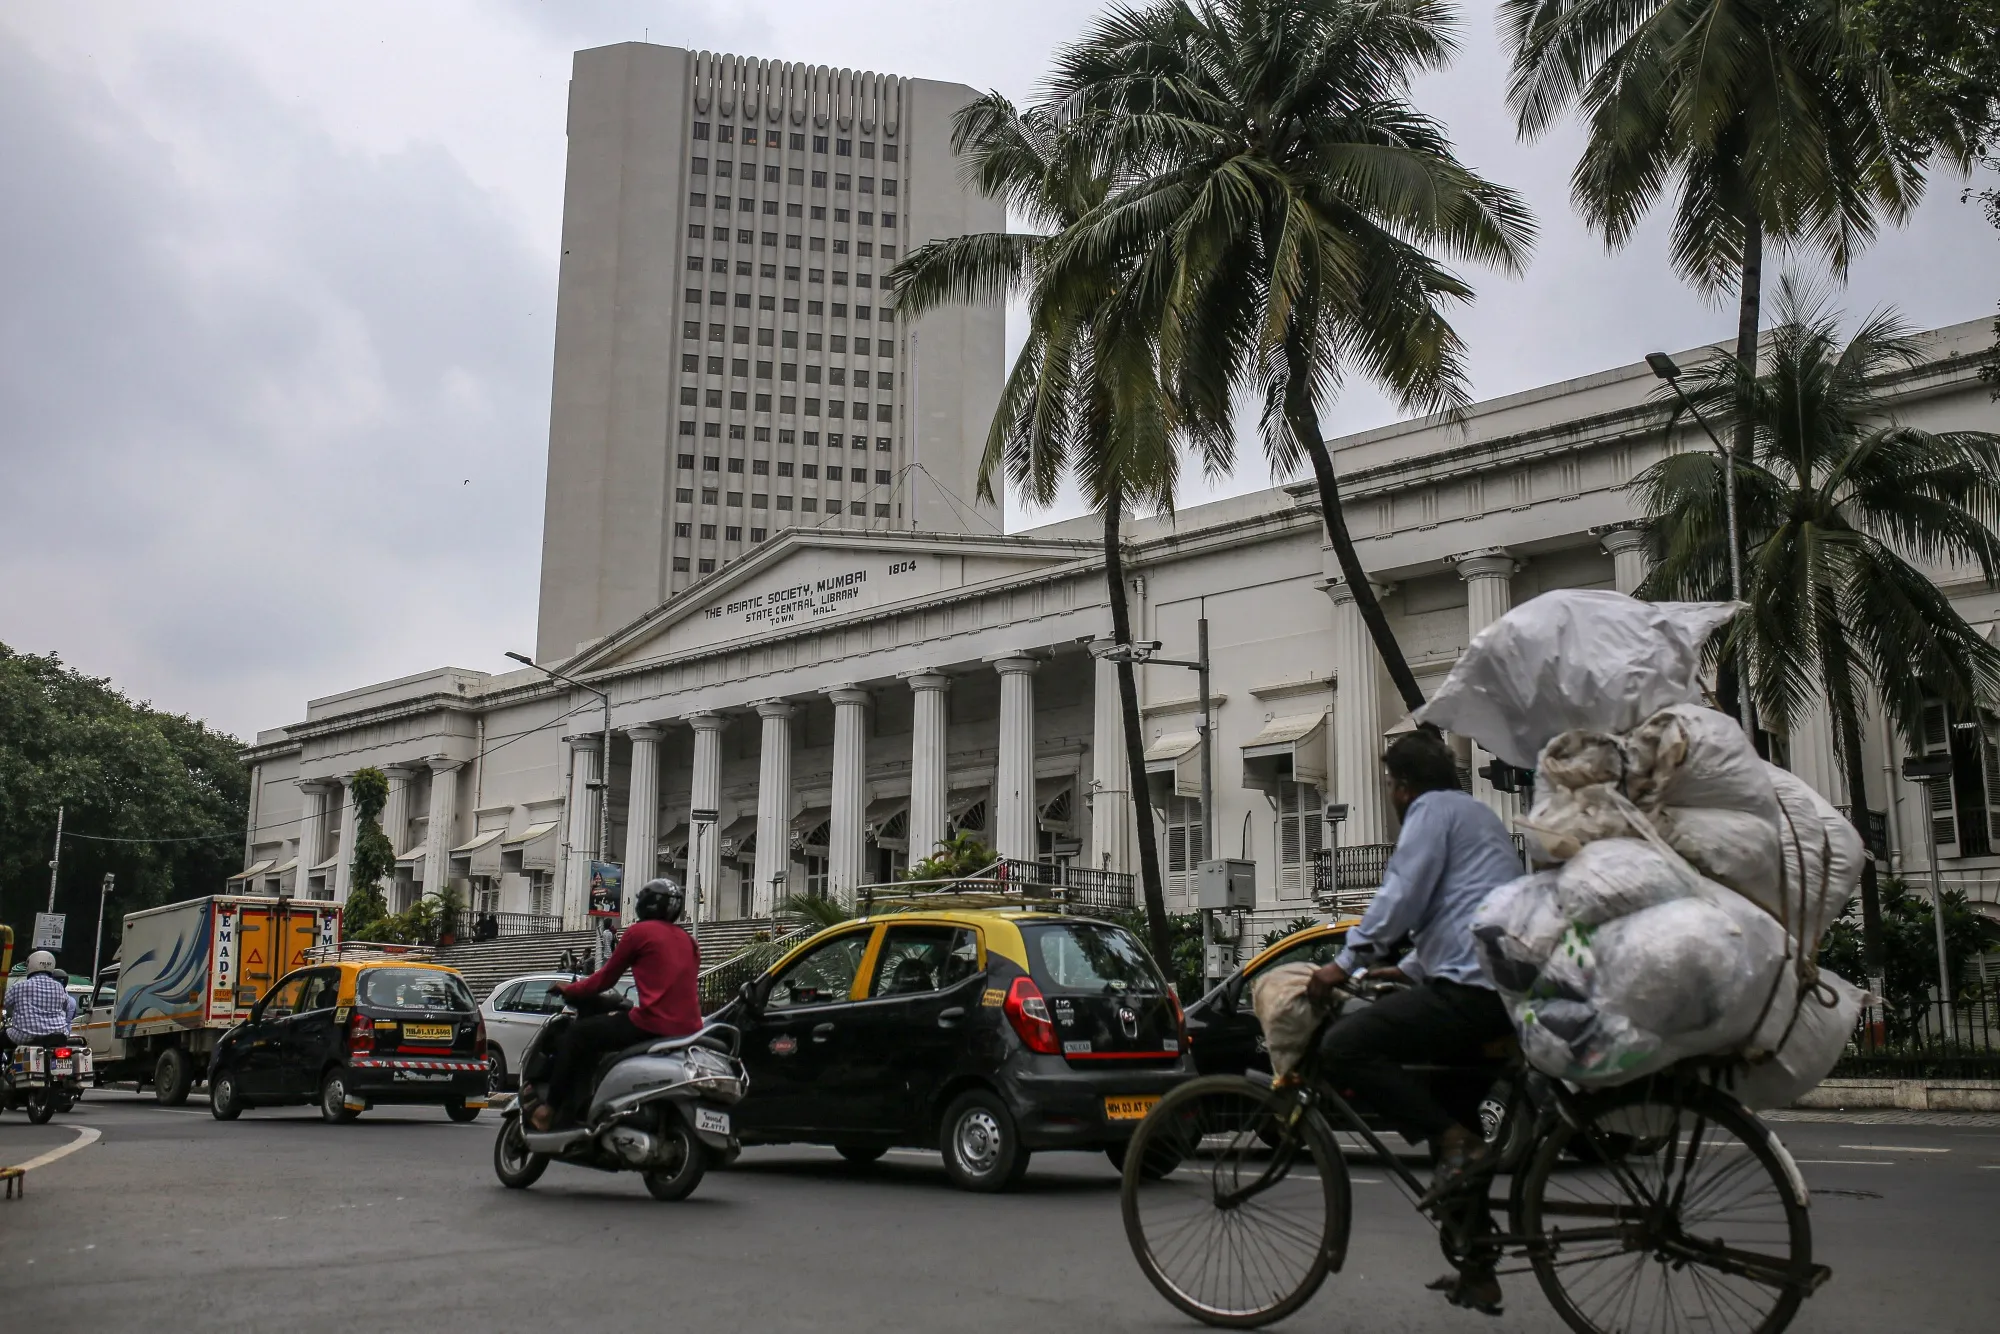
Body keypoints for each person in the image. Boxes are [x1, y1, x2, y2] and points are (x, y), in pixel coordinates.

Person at [1304, 729, 1521, 1315]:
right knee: (1456, 1118)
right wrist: (1408, 969)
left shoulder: (1430, 813)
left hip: (1472, 991)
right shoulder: (1476, 816)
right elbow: (1462, 907)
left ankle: (1455, 1145)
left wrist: (1345, 963)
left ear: (1401, 787)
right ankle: (1478, 1271)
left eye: (1391, 786)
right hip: (1497, 989)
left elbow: (1401, 896)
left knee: (1345, 1046)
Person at [531, 878, 702, 1131]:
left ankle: (549, 1109)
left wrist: (571, 988)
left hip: (651, 1024)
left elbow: (605, 978)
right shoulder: (689, 940)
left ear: (645, 905)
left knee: (577, 1034)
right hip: (691, 1028)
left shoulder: (638, 933)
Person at [4, 951, 78, 1050]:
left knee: (3, 1035)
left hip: (25, 1036)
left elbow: (3, 1003)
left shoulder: (19, 986)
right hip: (58, 1035)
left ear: (30, 965)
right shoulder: (59, 987)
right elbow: (67, 1008)